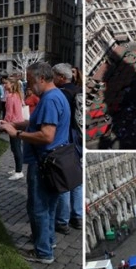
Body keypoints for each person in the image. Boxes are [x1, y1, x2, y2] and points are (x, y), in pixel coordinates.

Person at [0, 62, 71, 264]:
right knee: (48, 206)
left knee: (38, 207)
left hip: (44, 162)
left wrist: (17, 133)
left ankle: (43, 252)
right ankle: (48, 241)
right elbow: (37, 123)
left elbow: (47, 135)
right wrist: (15, 123)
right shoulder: (57, 95)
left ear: (41, 78)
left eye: (30, 81)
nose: (28, 86)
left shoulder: (49, 100)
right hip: (53, 161)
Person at [51, 63, 83, 233]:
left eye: (54, 76)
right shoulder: (79, 90)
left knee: (64, 178)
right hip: (79, 139)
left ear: (61, 77)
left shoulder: (61, 94)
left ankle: (62, 220)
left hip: (66, 138)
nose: (52, 79)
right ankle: (77, 217)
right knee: (77, 179)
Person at [1, 77, 25, 180]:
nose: (4, 85)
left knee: (16, 148)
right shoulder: (17, 95)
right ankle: (17, 169)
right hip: (18, 123)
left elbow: (9, 113)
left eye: (6, 83)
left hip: (14, 124)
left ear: (11, 84)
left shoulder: (11, 96)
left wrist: (4, 123)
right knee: (16, 147)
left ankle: (19, 171)